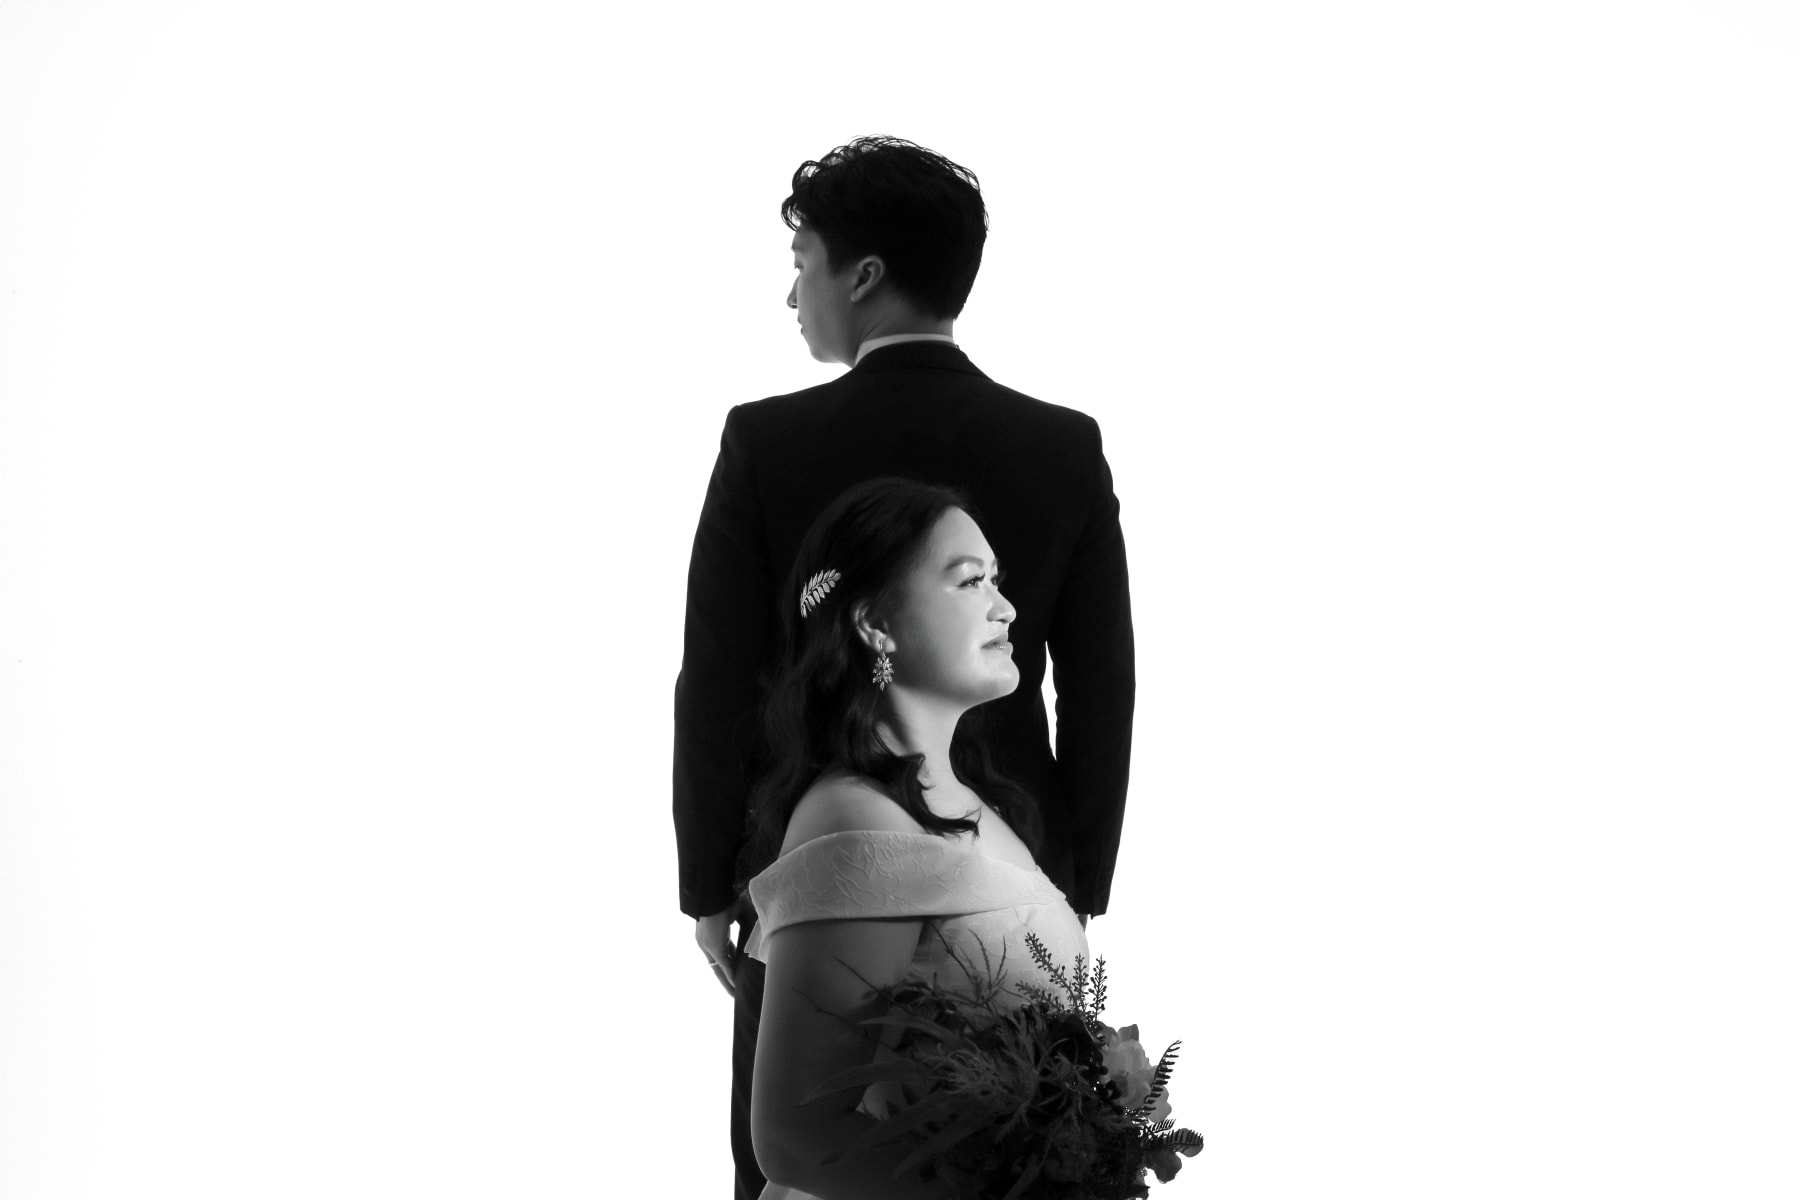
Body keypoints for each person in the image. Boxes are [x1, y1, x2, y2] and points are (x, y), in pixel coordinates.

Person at [673, 135, 1136, 1200]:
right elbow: (1101, 688)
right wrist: (1076, 882)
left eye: (804, 264)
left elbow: (717, 676)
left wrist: (711, 880)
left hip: (804, 856)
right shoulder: (1061, 444)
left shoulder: (766, 442)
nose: (793, 295)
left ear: (864, 276)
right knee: (1025, 1148)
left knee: (808, 1141)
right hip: (1021, 863)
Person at [745, 478, 1092, 1200]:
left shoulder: (969, 803)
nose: (1006, 607)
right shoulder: (859, 821)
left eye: (997, 579)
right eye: (969, 581)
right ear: (875, 623)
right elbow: (795, 1137)